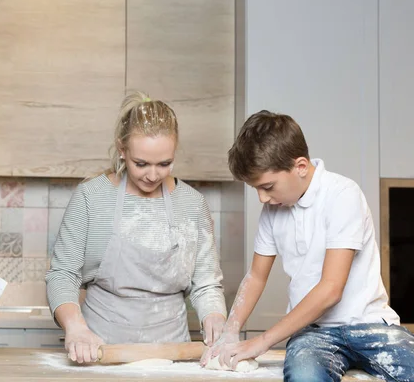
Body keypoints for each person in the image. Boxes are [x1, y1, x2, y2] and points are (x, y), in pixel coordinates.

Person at [201, 110, 414, 381]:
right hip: (314, 334)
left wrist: (262, 341)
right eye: (255, 188)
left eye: (267, 186)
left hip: (370, 325)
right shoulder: (273, 211)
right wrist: (231, 331)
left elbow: (330, 289)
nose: (262, 198)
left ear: (300, 167)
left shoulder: (342, 195)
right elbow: (255, 276)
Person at [45, 91, 227, 364]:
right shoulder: (91, 197)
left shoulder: (192, 204)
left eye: (164, 164)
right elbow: (63, 274)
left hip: (173, 355)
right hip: (100, 350)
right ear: (122, 149)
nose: (152, 175)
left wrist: (215, 318)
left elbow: (206, 284)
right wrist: (75, 328)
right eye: (140, 164)